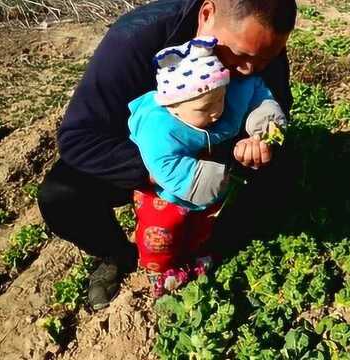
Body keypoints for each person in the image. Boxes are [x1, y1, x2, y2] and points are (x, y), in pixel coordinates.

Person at [37, 0, 297, 310]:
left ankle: (211, 246)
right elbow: (78, 138)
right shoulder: (134, 40)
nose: (250, 69)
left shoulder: (258, 44)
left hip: (223, 150)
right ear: (206, 14)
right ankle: (117, 255)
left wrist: (260, 141)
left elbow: (277, 102)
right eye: (240, 56)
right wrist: (164, 172)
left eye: (266, 58)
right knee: (60, 197)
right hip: (149, 153)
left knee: (282, 174)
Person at [128, 36, 287, 294]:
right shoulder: (158, 126)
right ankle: (162, 269)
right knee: (161, 235)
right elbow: (165, 165)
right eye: (205, 107)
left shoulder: (219, 97)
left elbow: (255, 93)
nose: (216, 112)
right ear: (174, 107)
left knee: (203, 225)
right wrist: (211, 179)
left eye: (220, 99)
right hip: (164, 194)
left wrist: (263, 129)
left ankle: (195, 254)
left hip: (210, 185)